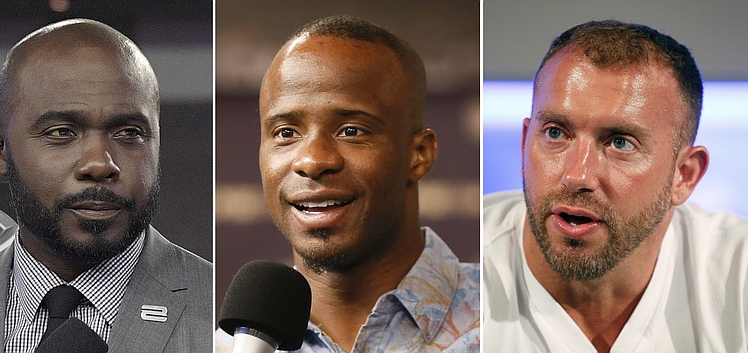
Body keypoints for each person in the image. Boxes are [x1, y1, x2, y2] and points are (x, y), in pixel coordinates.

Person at [216, 15, 480, 353]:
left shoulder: (511, 320)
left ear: (419, 154)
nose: (311, 161)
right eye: (286, 133)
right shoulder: (227, 347)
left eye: (351, 131)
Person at [0, 19, 212, 352]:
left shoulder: (222, 318)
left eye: (128, 133)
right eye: (61, 133)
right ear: (0, 149)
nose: (100, 164)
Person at [484, 20, 748, 352]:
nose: (577, 176)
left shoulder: (738, 277)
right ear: (525, 143)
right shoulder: (469, 271)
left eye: (620, 143)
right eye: (555, 133)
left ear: (684, 175)